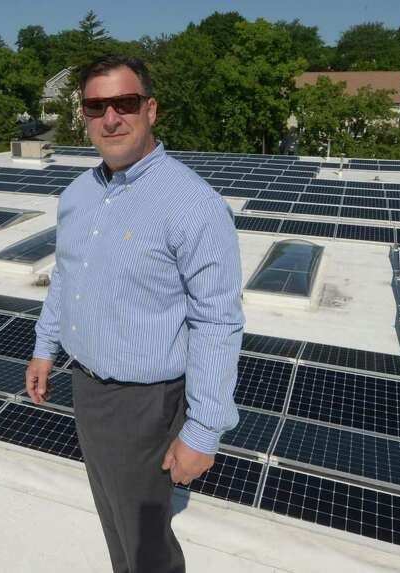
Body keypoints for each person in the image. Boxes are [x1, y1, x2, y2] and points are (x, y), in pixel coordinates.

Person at [26, 54, 243, 573]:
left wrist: (203, 431)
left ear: (150, 110)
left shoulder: (192, 205)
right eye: (96, 106)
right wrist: (44, 348)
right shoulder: (77, 193)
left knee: (147, 543)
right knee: (113, 517)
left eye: (123, 103)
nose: (110, 118)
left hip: (147, 405)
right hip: (87, 389)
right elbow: (66, 277)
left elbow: (217, 322)